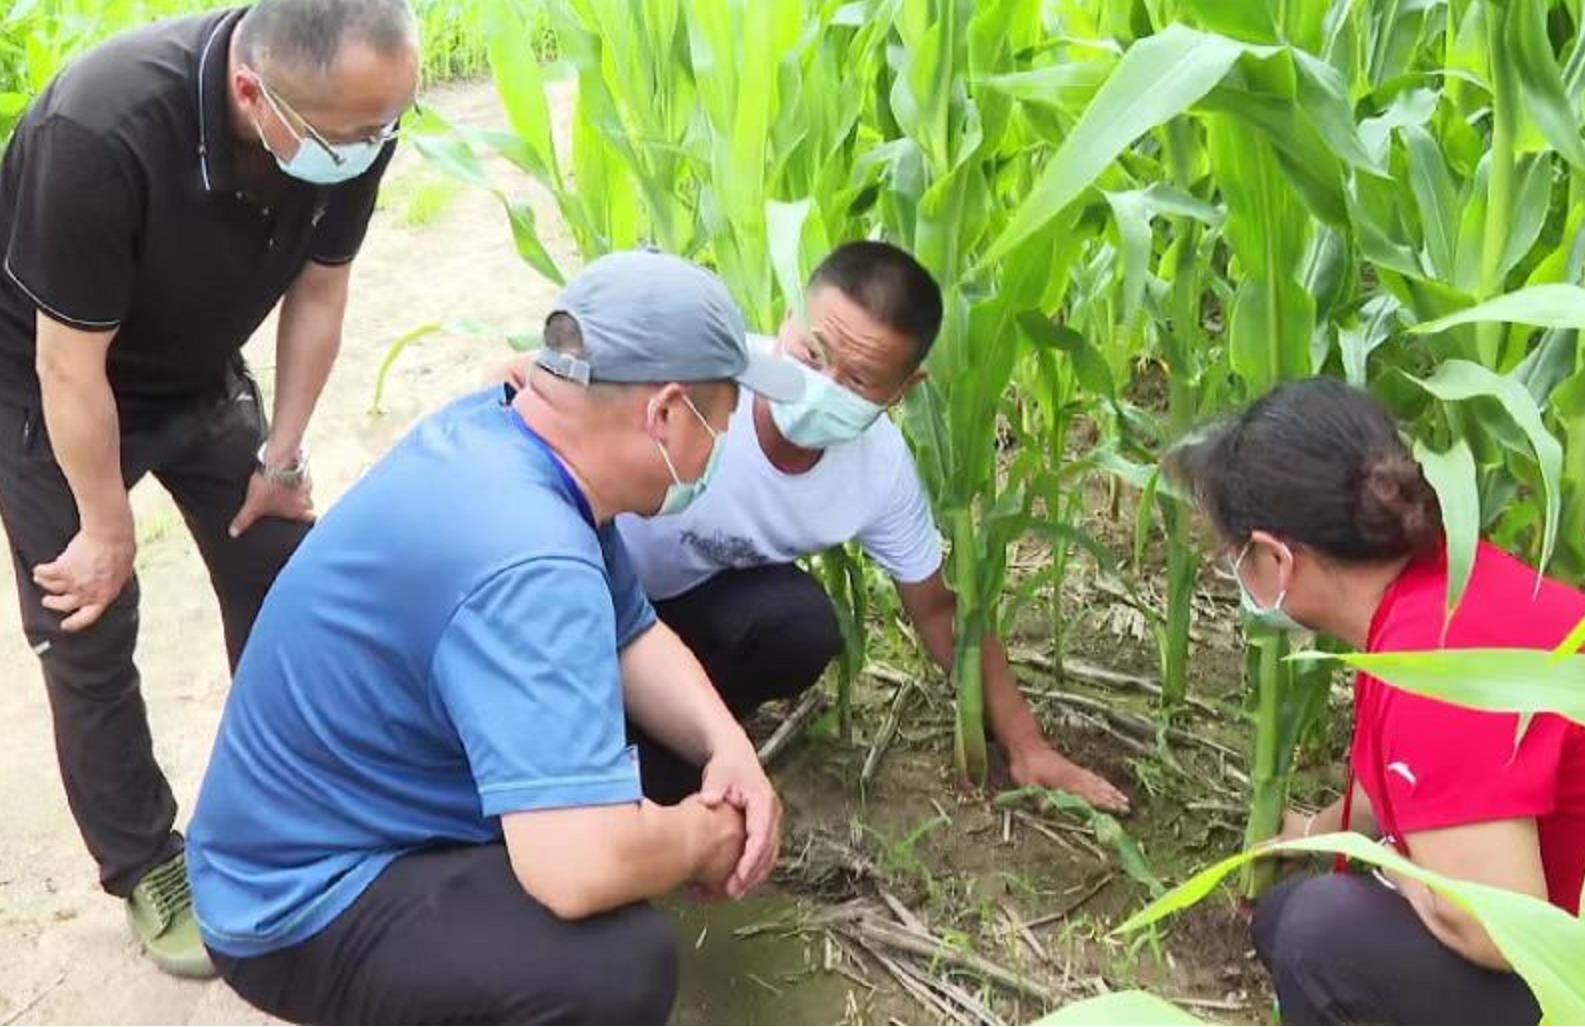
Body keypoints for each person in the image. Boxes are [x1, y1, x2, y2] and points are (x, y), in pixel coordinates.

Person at [187, 250, 805, 1025]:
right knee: (614, 969)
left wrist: (728, 750)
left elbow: (633, 633)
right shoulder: (531, 559)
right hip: (298, 900)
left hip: (369, 807)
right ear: (667, 414)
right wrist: (700, 837)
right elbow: (573, 867)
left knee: (660, 762)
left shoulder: (514, 439)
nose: (721, 443)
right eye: (719, 420)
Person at [0, 0, 417, 978]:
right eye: (353, 134)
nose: (374, 148)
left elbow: (322, 285)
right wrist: (105, 525)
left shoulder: (355, 115)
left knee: (281, 566)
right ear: (248, 93)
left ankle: (298, 798)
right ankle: (146, 861)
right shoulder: (100, 129)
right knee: (88, 616)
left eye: (388, 125)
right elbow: (70, 366)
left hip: (195, 364)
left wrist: (281, 452)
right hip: (47, 378)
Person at [592, 241, 1129, 811]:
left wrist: (1026, 743)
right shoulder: (696, 379)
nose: (824, 386)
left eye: (858, 381)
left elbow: (938, 609)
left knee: (799, 626)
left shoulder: (879, 470)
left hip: (677, 618)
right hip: (581, 586)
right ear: (787, 318)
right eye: (812, 354)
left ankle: (662, 757)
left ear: (903, 391)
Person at [1168, 376, 1585, 1025]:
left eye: (1237, 556)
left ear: (1277, 558)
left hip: (1558, 970)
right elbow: (1392, 785)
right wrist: (1310, 833)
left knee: (1318, 933)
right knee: (1282, 916)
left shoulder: (1433, 666)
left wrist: (1388, 863)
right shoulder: (1435, 586)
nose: (1238, 577)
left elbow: (1496, 926)